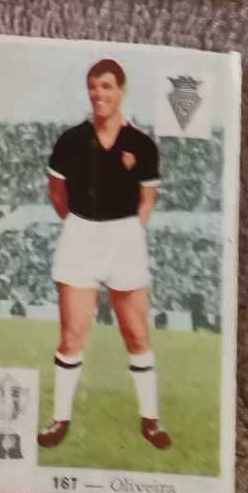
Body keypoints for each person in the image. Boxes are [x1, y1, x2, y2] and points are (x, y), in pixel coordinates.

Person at [37, 58, 171, 451]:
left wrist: (129, 233)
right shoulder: (70, 140)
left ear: (121, 90)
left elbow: (148, 198)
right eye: (94, 87)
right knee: (72, 336)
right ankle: (59, 420)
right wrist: (81, 226)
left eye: (107, 86)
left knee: (136, 334)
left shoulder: (141, 144)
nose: (99, 94)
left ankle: (150, 421)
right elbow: (56, 193)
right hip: (79, 234)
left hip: (124, 236)